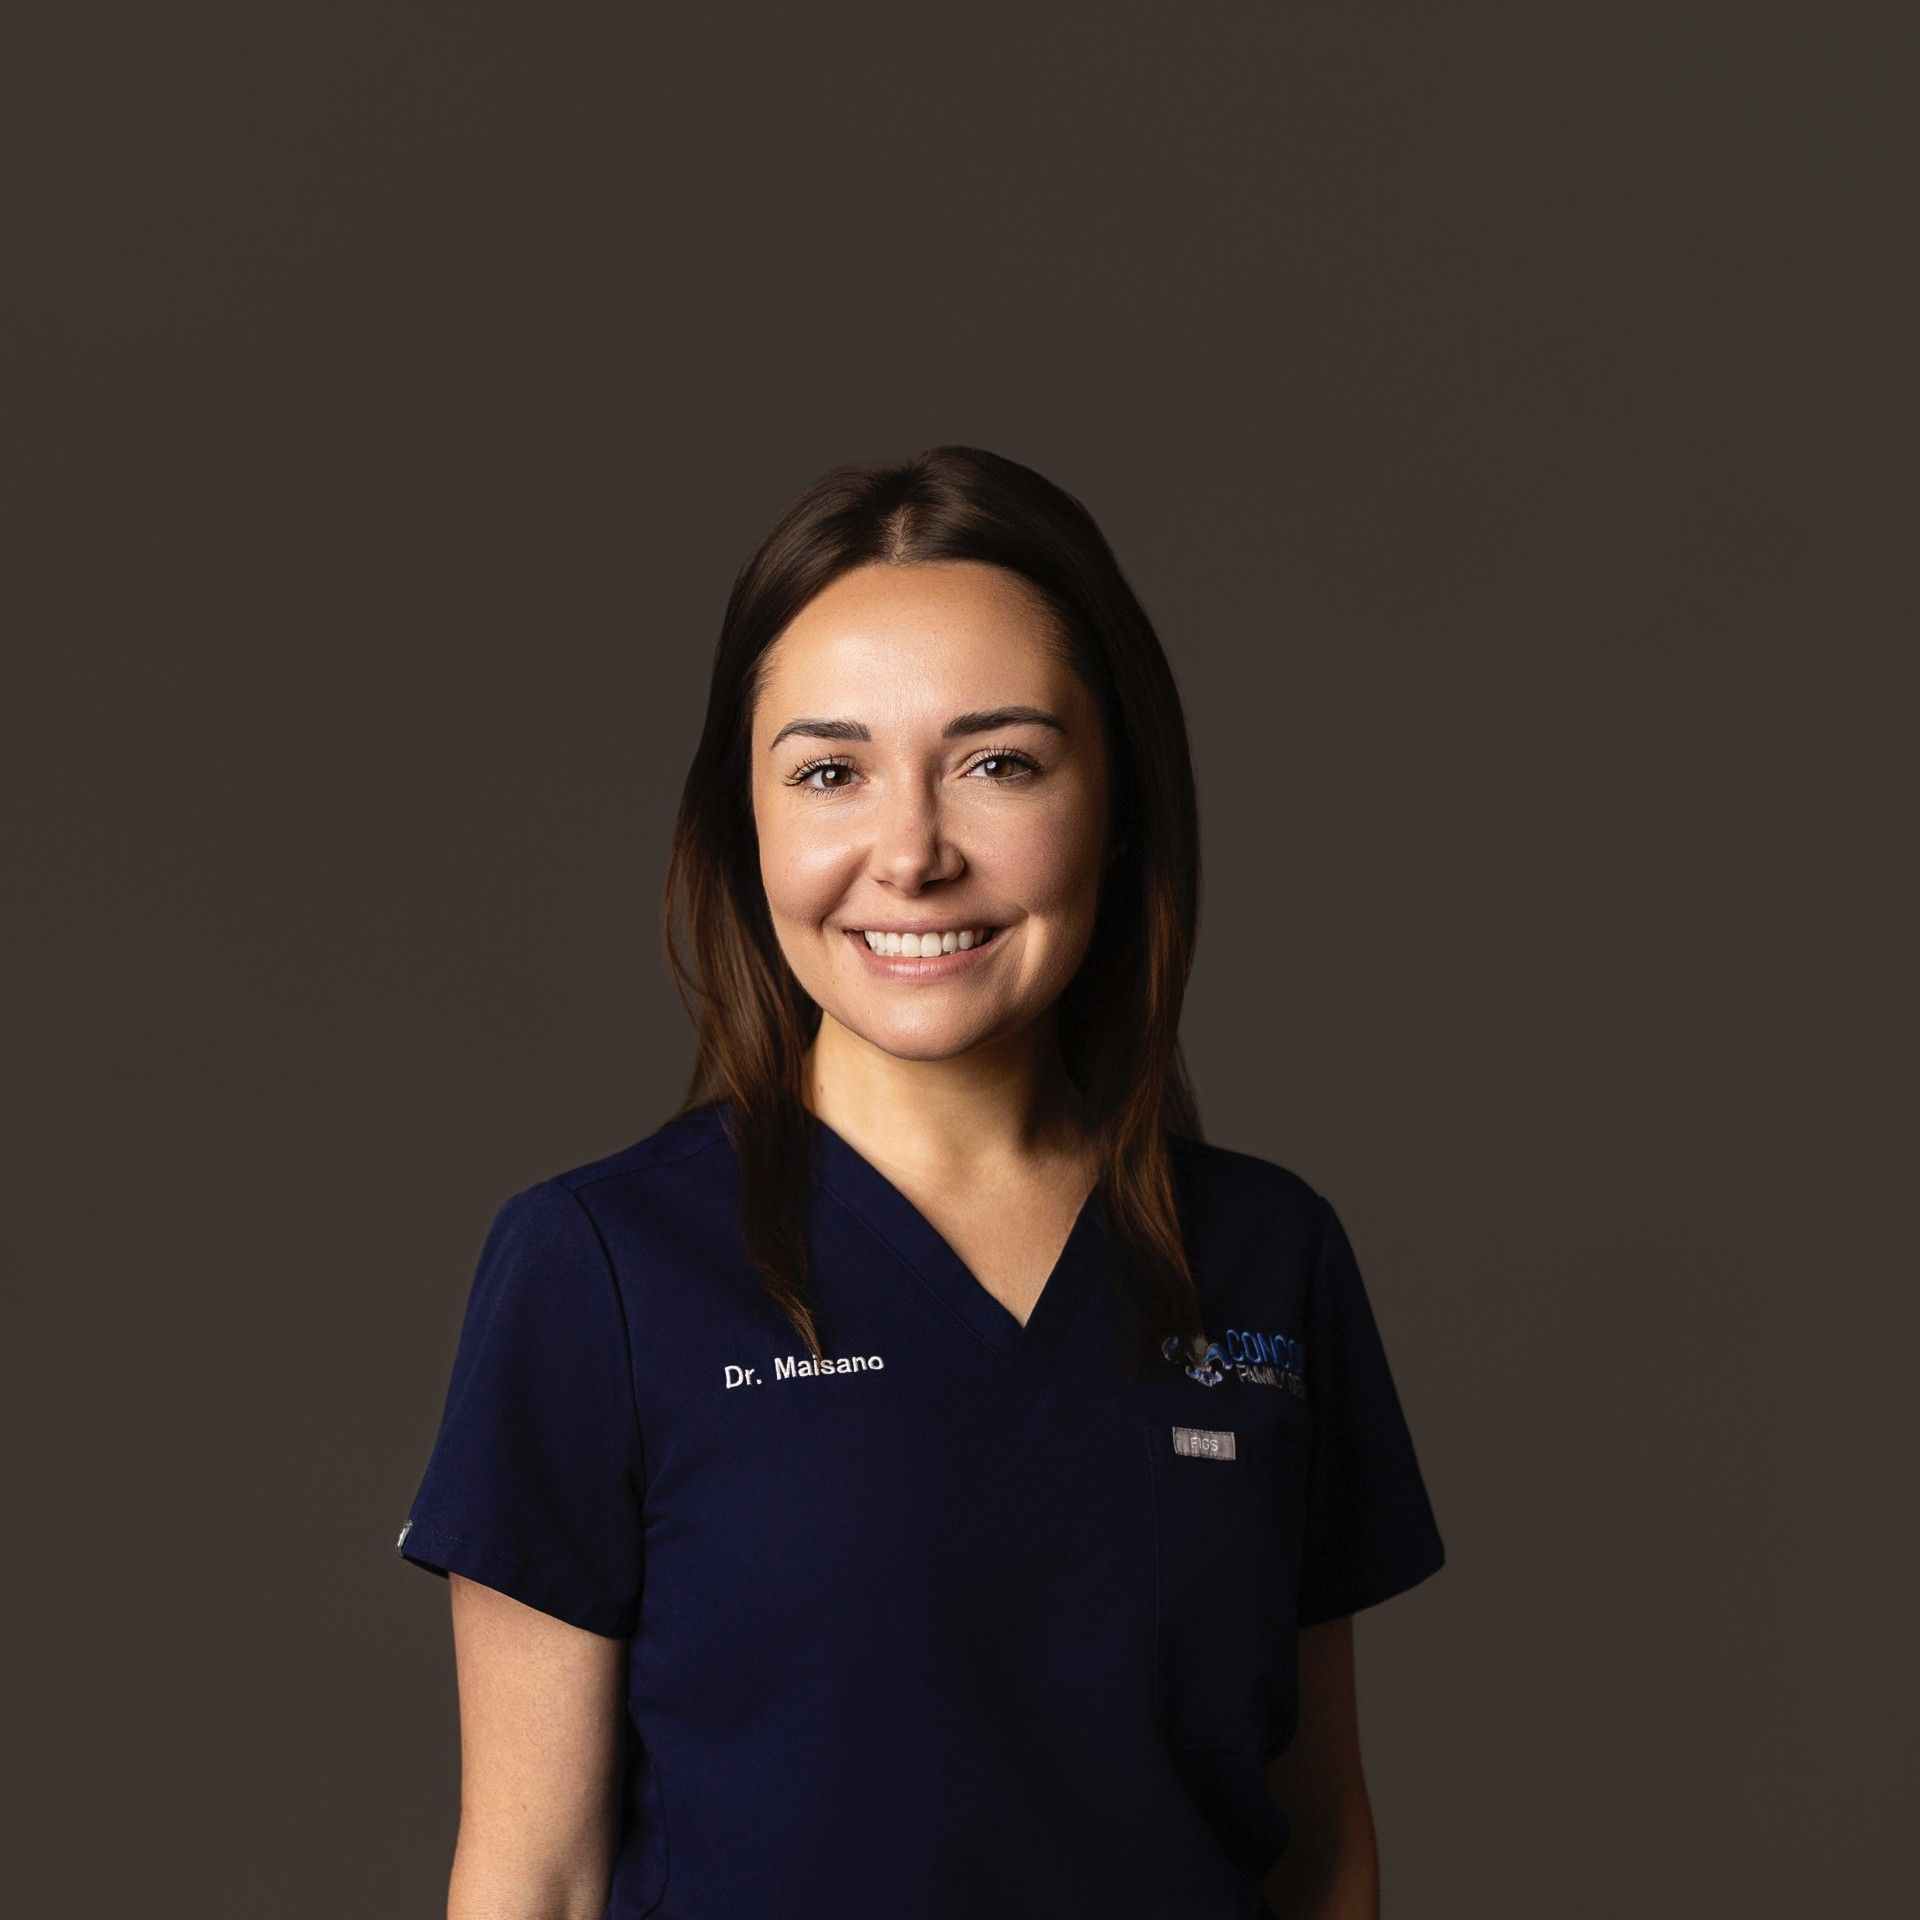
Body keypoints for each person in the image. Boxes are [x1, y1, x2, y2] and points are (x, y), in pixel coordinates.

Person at [393, 444, 1447, 1919]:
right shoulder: (603, 1267)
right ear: (743, 825)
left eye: (999, 763)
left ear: (1119, 801)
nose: (911, 852)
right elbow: (534, 1878)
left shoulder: (1269, 1257)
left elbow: (1319, 1843)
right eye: (831, 772)